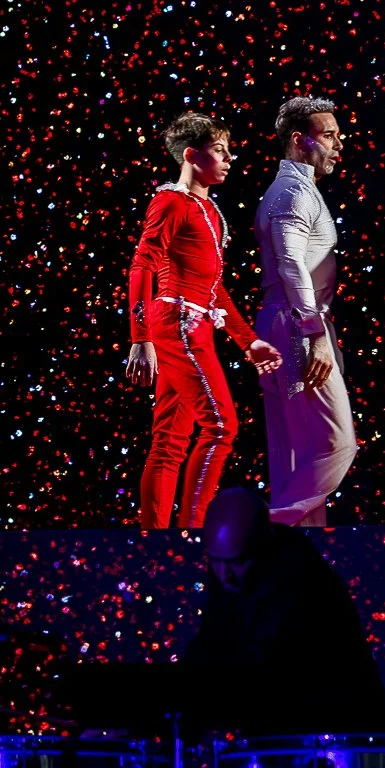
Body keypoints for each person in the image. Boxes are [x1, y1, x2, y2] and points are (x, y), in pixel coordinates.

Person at [126, 111, 282, 529]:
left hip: (193, 324)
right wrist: (140, 337)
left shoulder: (208, 211)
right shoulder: (172, 201)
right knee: (220, 425)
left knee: (170, 439)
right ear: (193, 156)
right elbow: (143, 265)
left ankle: (154, 534)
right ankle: (194, 532)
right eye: (219, 151)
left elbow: (213, 287)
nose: (230, 158)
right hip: (176, 323)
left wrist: (247, 341)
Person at [186, 487, 385, 733]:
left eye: (237, 561)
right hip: (288, 722)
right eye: (216, 561)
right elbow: (212, 641)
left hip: (341, 729)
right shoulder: (233, 566)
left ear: (261, 546)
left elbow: (262, 665)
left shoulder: (298, 574)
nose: (224, 575)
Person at [255, 97, 356, 526]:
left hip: (289, 322)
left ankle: (295, 555)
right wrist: (315, 334)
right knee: (336, 444)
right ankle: (271, 527)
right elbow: (291, 263)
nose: (339, 144)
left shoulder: (296, 190)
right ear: (300, 140)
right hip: (297, 325)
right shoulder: (294, 191)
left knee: (296, 451)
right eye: (329, 135)